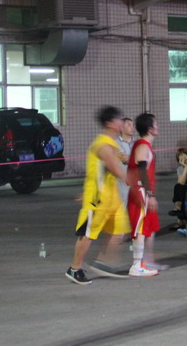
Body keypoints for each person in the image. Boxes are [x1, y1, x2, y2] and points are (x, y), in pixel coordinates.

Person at [66, 106, 131, 285]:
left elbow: (114, 161)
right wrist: (134, 181)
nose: (122, 122)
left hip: (112, 198)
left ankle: (104, 263)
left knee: (119, 229)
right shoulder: (102, 145)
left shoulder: (111, 144)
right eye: (119, 119)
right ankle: (74, 269)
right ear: (110, 123)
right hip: (98, 199)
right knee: (89, 234)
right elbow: (115, 169)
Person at [126, 112, 165, 276]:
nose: (158, 126)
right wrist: (150, 194)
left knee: (148, 227)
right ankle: (136, 265)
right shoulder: (142, 146)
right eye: (155, 124)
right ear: (150, 129)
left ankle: (145, 261)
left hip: (143, 191)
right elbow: (142, 172)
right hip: (141, 191)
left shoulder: (144, 145)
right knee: (141, 228)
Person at [116, 117, 135, 207]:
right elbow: (124, 159)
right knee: (122, 207)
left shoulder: (137, 142)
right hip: (122, 182)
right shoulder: (116, 143)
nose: (132, 127)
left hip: (136, 181)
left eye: (133, 125)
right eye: (129, 125)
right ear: (122, 128)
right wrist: (139, 159)